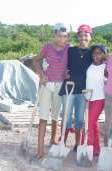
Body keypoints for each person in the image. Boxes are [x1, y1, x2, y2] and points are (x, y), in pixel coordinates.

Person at [33, 23, 70, 159]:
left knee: (55, 116)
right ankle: (40, 150)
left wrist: (67, 73)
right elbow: (36, 61)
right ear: (54, 34)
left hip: (60, 86)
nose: (62, 39)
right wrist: (41, 75)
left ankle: (53, 140)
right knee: (43, 117)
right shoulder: (47, 47)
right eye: (59, 36)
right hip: (47, 85)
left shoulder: (68, 48)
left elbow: (70, 66)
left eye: (64, 36)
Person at [59, 24, 92, 151]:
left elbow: (102, 61)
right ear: (78, 36)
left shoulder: (92, 52)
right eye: (81, 34)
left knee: (79, 118)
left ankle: (78, 144)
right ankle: (62, 142)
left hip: (83, 90)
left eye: (86, 34)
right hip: (69, 87)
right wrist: (63, 72)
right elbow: (61, 62)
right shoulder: (70, 50)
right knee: (66, 117)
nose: (83, 37)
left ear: (90, 37)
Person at [86, 44, 107, 156]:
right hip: (89, 98)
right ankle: (96, 148)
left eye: (99, 53)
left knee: (90, 122)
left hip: (99, 98)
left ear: (104, 54)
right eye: (94, 53)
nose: (96, 55)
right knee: (93, 123)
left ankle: (90, 146)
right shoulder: (89, 65)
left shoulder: (105, 67)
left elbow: (109, 80)